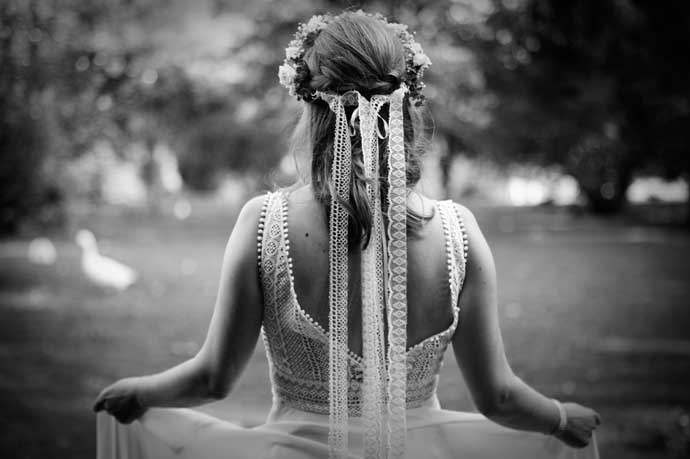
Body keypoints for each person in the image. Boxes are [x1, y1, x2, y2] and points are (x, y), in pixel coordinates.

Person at [94, 10, 601, 459]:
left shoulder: (264, 223)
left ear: (310, 104)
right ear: (406, 100)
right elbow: (499, 397)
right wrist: (560, 418)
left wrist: (139, 393)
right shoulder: (458, 232)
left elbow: (212, 379)